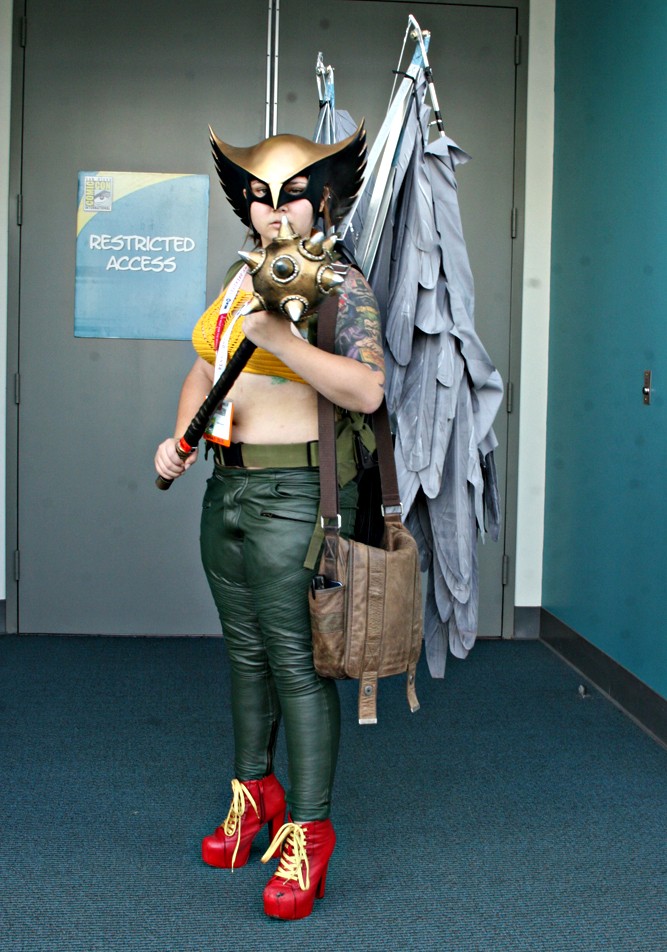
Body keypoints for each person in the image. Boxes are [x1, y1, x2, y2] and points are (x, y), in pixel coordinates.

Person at [154, 123, 385, 920]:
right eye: (259, 198)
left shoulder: (340, 284)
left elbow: (366, 391)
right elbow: (204, 368)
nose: (273, 212)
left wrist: (278, 338)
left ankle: (310, 834)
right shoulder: (236, 277)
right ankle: (255, 795)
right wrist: (178, 439)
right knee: (246, 656)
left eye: (291, 196)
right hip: (227, 490)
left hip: (296, 497)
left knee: (296, 665)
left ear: (323, 201)